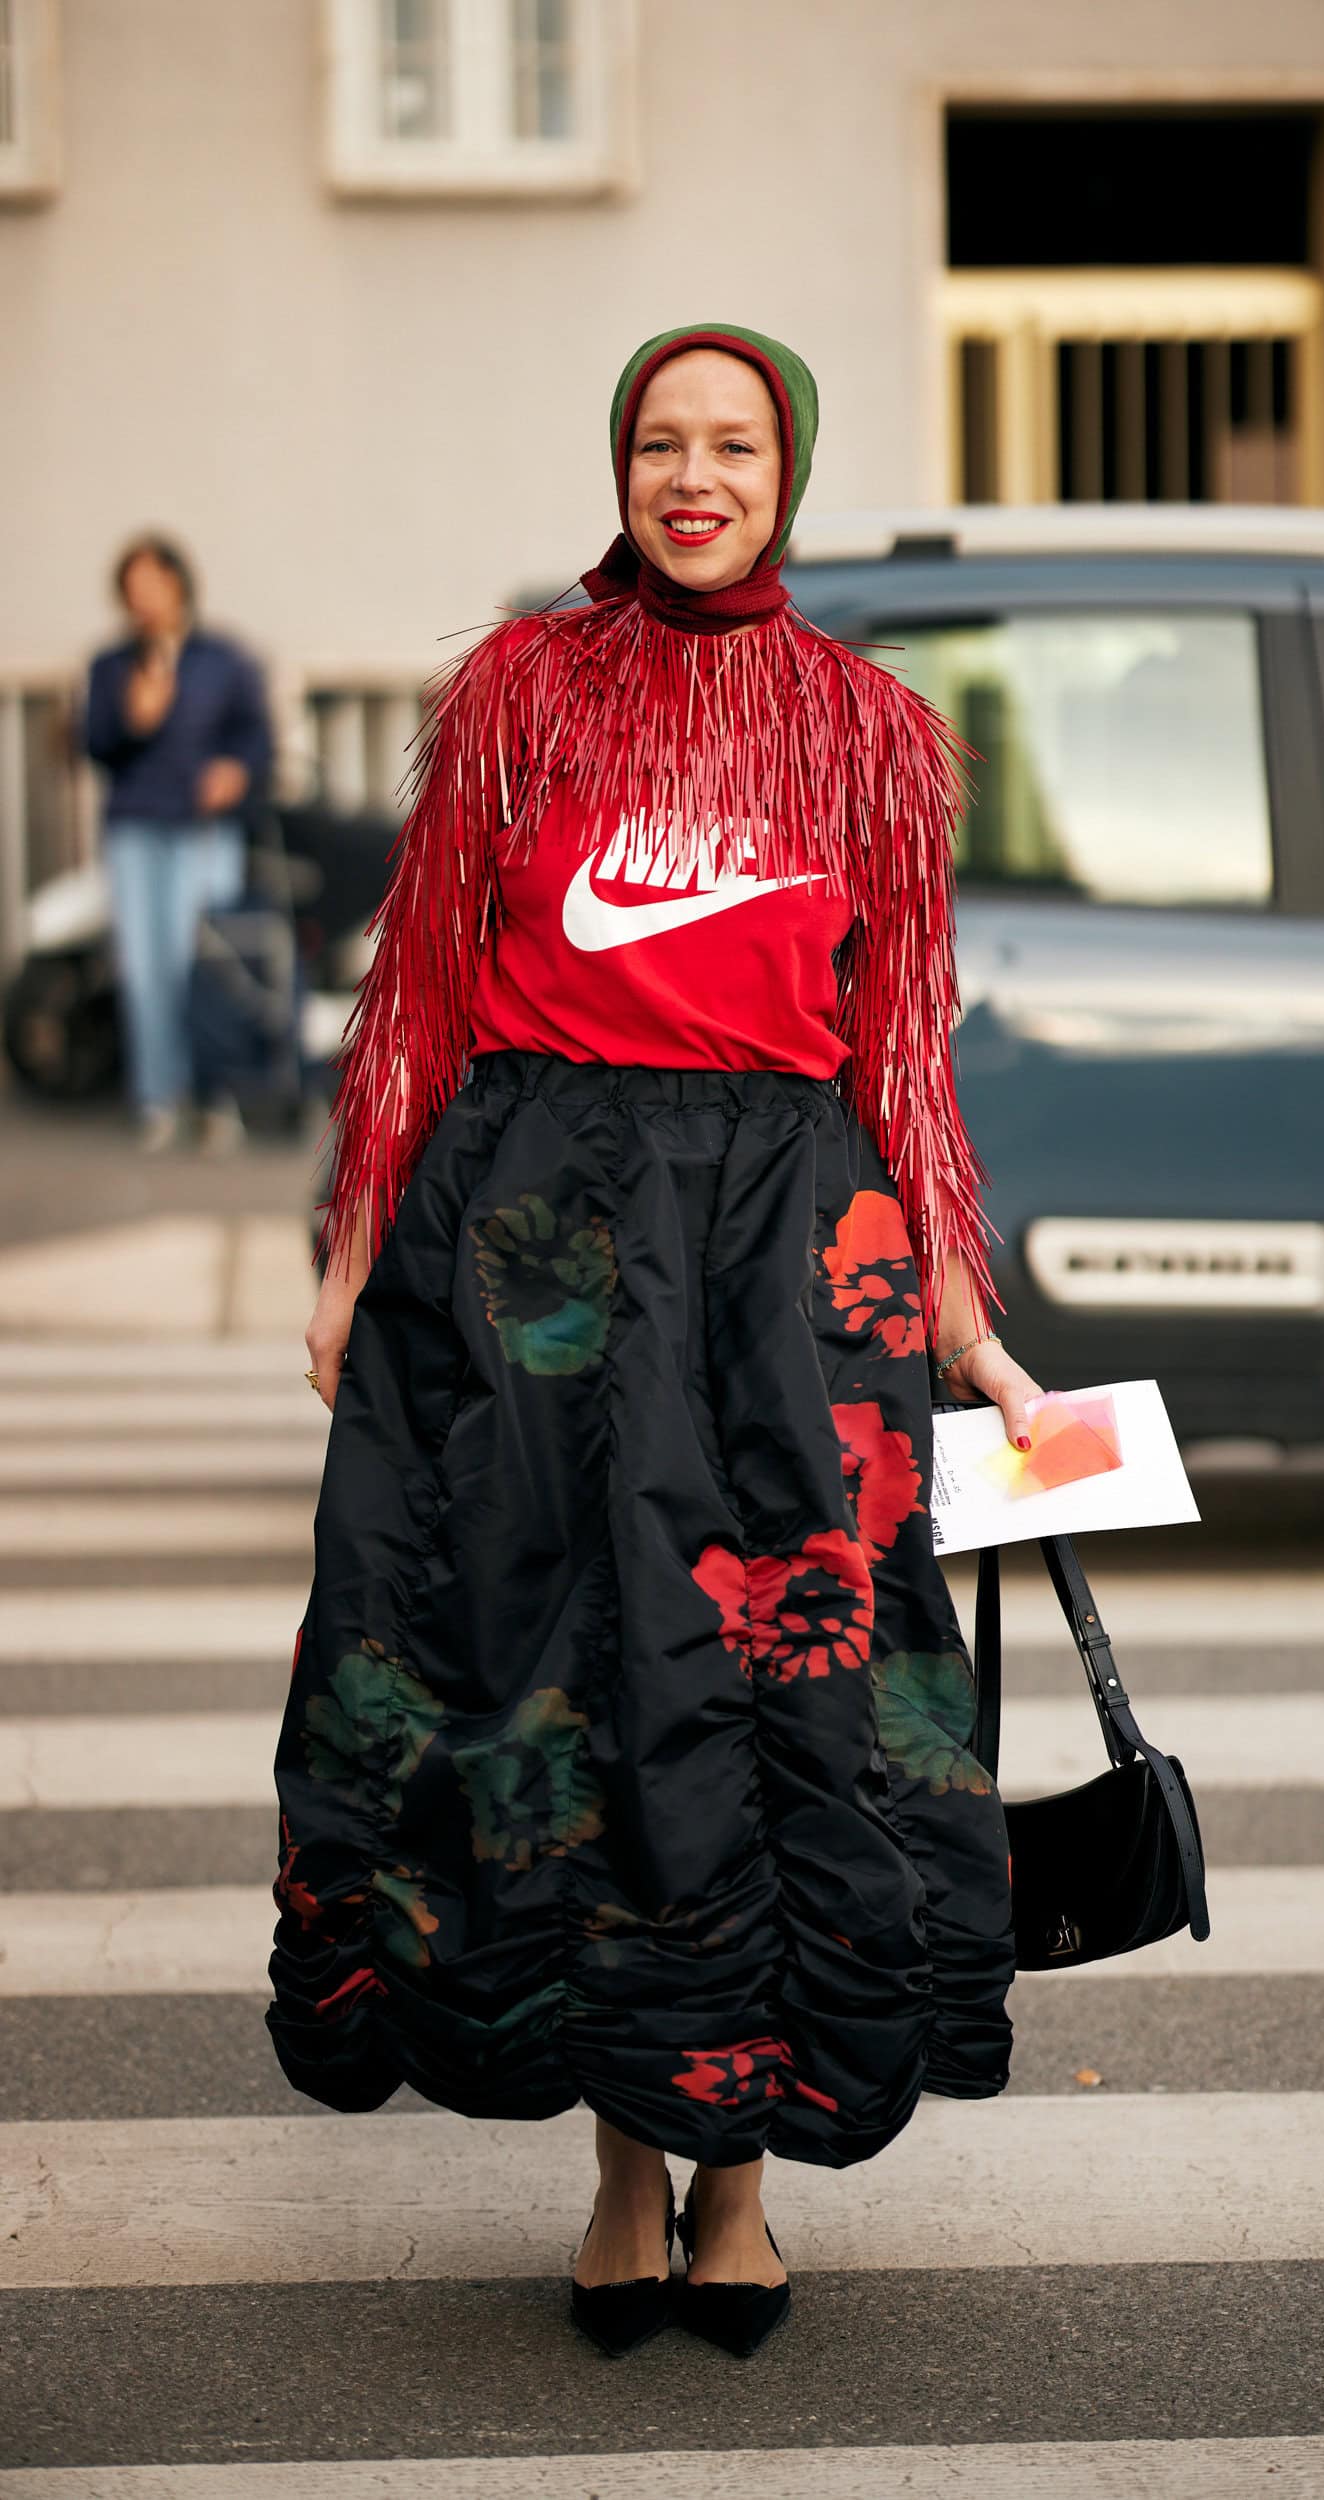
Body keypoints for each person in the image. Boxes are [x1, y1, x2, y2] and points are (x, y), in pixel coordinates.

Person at [268, 323, 1041, 2359]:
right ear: (614, 460)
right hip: (536, 1257)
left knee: (777, 1698)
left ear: (788, 466)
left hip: (788, 1264)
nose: (691, 475)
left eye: (733, 442)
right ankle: (623, 2171)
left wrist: (966, 1321)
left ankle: (742, 2185)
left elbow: (902, 1052)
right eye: (655, 438)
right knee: (576, 1685)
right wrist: (357, 1249)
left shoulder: (867, 730)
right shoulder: (515, 699)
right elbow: (421, 1002)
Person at [81, 534, 273, 1151]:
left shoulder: (222, 659)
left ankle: (218, 1096)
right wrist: (131, 720)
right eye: (130, 590)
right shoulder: (111, 666)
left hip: (204, 829)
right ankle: (158, 1097)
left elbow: (256, 738)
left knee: (205, 962)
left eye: (150, 585)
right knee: (145, 967)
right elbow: (94, 744)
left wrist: (235, 772)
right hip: (137, 829)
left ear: (177, 584)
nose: (142, 600)